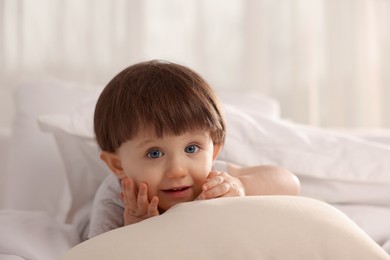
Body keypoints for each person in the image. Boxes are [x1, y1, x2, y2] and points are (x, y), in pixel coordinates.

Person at [88, 60, 300, 239]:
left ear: (214, 152)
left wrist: (242, 186)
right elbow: (96, 254)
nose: (178, 170)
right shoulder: (116, 199)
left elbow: (290, 183)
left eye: (191, 148)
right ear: (118, 165)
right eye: (154, 153)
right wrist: (137, 229)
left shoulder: (213, 181)